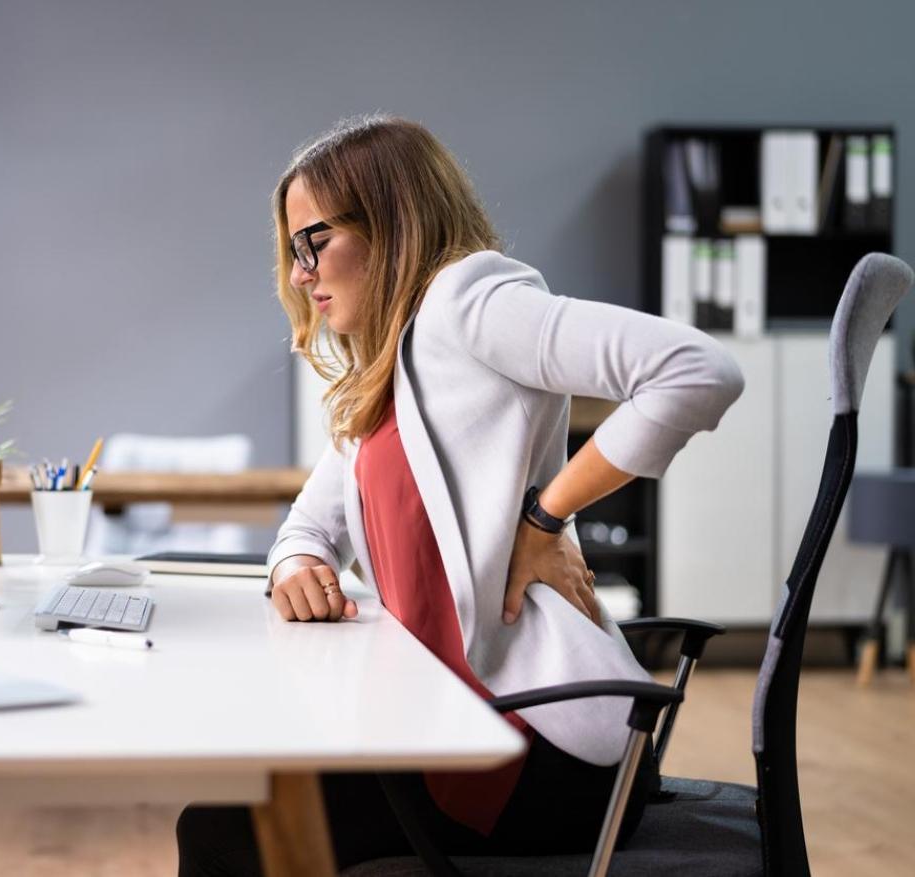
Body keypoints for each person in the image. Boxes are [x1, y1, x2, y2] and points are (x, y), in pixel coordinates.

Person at [176, 114, 744, 875]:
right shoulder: (384, 375)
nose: (301, 271)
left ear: (389, 220)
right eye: (292, 250)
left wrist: (548, 516)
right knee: (231, 813)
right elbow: (307, 524)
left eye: (314, 241)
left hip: (537, 746)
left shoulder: (466, 298)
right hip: (450, 723)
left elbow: (697, 368)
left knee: (227, 830)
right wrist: (295, 567)